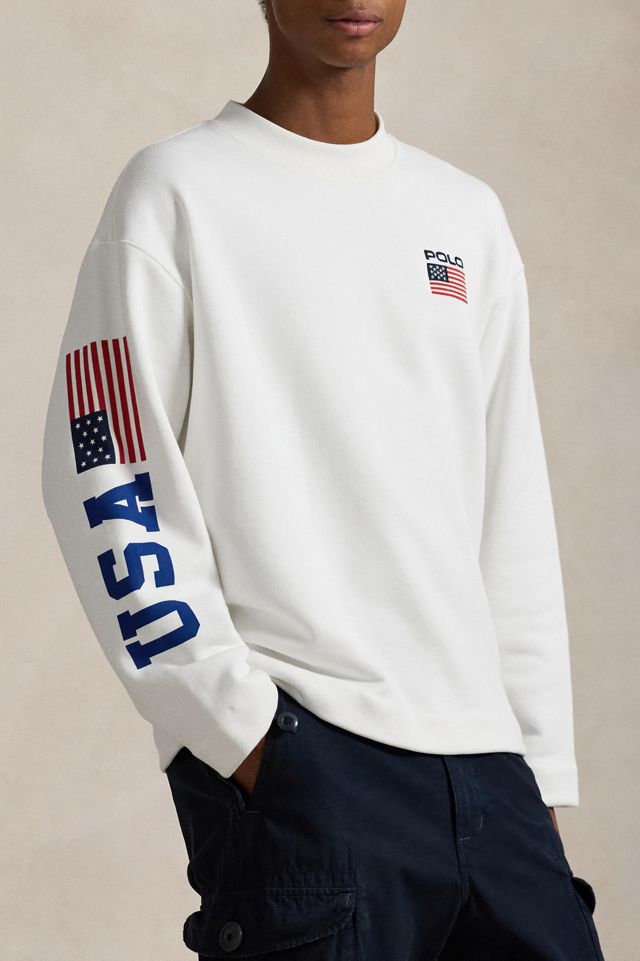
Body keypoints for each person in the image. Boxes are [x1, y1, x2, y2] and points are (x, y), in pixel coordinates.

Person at [41, 1, 607, 958]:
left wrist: (540, 776)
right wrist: (243, 733)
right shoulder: (175, 192)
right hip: (310, 764)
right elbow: (102, 464)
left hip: (494, 781)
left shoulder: (464, 216)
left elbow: (510, 507)